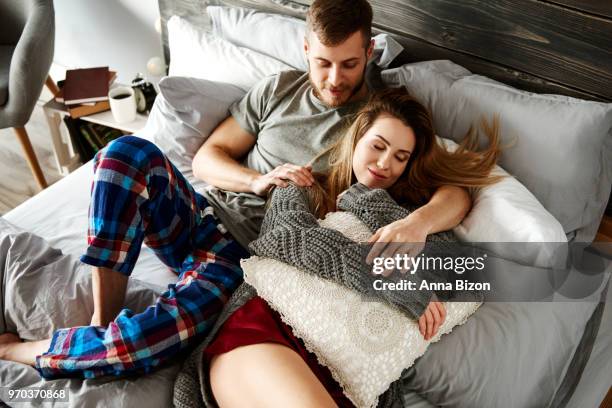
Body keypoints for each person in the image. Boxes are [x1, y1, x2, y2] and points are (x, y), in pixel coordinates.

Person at [0, 0, 470, 379]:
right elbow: (207, 157)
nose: (334, 79)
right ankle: (103, 320)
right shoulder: (279, 89)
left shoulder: (379, 128)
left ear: (369, 53)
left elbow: (455, 193)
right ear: (306, 48)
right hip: (200, 213)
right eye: (323, 62)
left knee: (141, 345)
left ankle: (26, 350)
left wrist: (418, 223)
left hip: (240, 257)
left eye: (349, 64)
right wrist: (257, 179)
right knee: (123, 153)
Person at [205, 88, 503, 408]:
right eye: (378, 146)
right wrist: (392, 282)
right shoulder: (304, 185)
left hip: (348, 376)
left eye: (401, 157)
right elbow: (286, 237)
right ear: (356, 137)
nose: (385, 163)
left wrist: (417, 223)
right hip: (267, 332)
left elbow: (457, 262)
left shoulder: (401, 216)